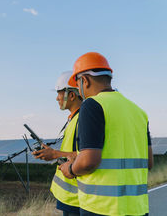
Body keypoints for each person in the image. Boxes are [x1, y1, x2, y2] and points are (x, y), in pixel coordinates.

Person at [59, 52, 153, 216]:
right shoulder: (138, 112)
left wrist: (71, 169)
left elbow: (89, 161)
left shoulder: (92, 105)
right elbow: (149, 162)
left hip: (101, 208)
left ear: (85, 81)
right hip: (137, 208)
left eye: (78, 83)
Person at [33, 71, 82, 216]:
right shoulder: (73, 119)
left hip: (76, 200)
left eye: (59, 93)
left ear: (71, 95)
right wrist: (53, 154)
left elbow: (86, 156)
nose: (57, 98)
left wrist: (54, 154)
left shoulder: (82, 120)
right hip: (69, 199)